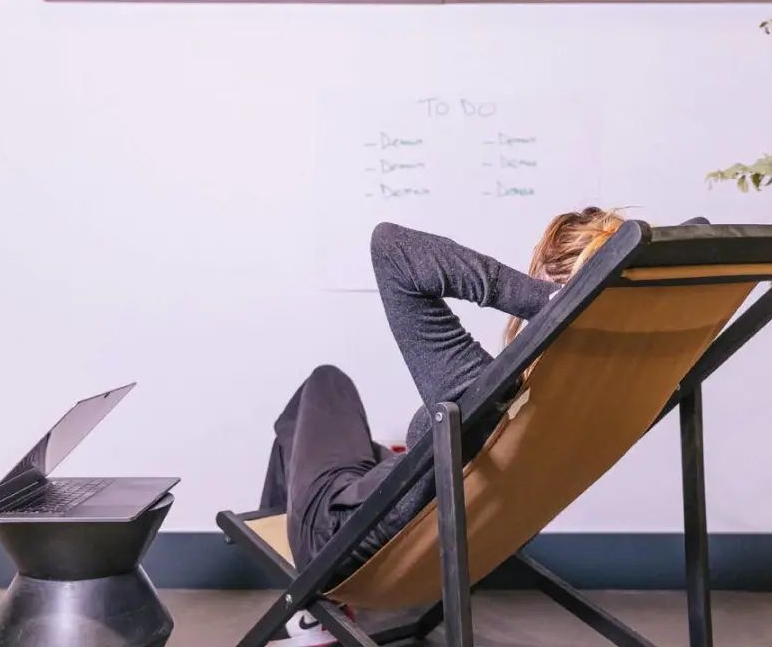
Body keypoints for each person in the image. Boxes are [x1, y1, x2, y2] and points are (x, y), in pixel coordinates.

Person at [262, 208, 624, 645]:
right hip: (416, 520)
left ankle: (302, 596)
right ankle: (294, 575)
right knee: (360, 445)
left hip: (336, 541)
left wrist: (550, 305)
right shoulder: (599, 396)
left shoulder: (482, 393)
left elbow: (390, 246)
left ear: (548, 280)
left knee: (325, 384)